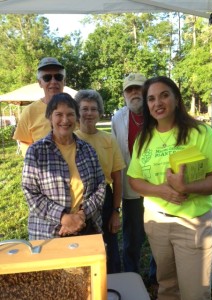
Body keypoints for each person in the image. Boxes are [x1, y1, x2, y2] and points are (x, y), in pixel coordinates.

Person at [127, 76, 212, 300]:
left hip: (192, 224)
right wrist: (161, 191)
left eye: (164, 95)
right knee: (167, 287)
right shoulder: (144, 138)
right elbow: (134, 180)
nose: (157, 103)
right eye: (151, 99)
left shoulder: (200, 133)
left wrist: (187, 186)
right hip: (157, 223)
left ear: (176, 99)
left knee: (194, 293)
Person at [22, 93, 106, 240]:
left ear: (77, 118)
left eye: (70, 114)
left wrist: (82, 214)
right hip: (48, 232)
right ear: (49, 118)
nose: (65, 120)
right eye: (58, 114)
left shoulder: (87, 150)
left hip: (86, 227)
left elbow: (101, 185)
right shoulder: (36, 151)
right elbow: (30, 192)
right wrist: (63, 218)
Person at [111, 73, 157, 281]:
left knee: (158, 234)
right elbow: (114, 153)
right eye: (130, 89)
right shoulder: (118, 118)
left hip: (157, 187)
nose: (134, 93)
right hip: (131, 187)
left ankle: (157, 275)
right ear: (124, 94)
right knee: (132, 235)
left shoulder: (157, 114)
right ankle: (131, 275)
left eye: (138, 88)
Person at [75, 89, 126, 274]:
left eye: (93, 109)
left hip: (105, 197)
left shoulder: (109, 139)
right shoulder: (70, 138)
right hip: (77, 200)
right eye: (84, 109)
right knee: (80, 247)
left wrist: (115, 211)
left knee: (109, 246)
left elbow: (118, 178)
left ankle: (112, 282)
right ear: (77, 112)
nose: (89, 113)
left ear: (99, 113)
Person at [13, 57, 66, 157]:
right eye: (47, 78)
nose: (53, 81)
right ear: (40, 83)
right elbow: (24, 142)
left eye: (58, 77)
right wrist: (35, 165)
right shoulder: (29, 111)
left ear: (64, 81)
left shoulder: (76, 109)